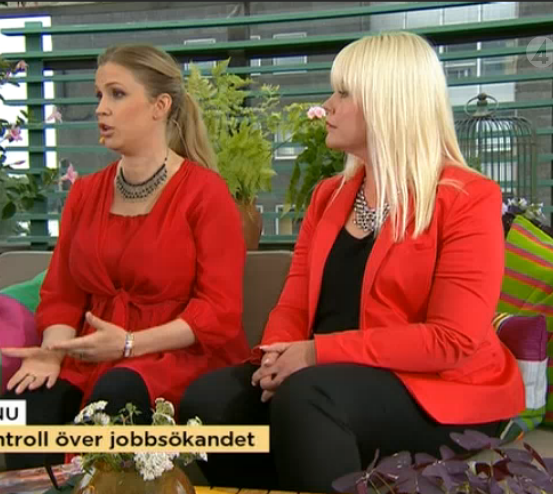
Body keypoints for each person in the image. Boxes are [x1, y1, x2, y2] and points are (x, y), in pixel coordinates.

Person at [179, 31, 525, 492]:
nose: (327, 105)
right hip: (328, 382)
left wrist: (315, 354)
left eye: (343, 93)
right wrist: (274, 358)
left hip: (439, 387)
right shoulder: (328, 196)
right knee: (207, 403)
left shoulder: (468, 198)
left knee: (308, 398)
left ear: (388, 104)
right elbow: (294, 304)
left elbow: (451, 340)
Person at [0, 44, 250, 470]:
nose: (101, 108)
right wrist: (52, 351)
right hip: (95, 353)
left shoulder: (206, 193)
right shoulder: (85, 193)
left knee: (117, 394)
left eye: (116, 94)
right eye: (99, 95)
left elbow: (219, 311)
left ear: (160, 106)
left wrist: (130, 344)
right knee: (27, 399)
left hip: (176, 356)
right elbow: (62, 294)